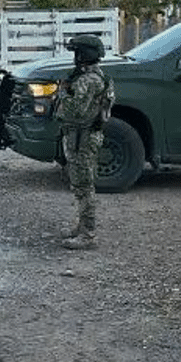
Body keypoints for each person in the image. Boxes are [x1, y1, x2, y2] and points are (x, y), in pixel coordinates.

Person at [54, 34, 114, 250]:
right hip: (83, 136)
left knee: (84, 186)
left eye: (77, 53)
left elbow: (75, 110)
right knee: (80, 184)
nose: (75, 57)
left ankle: (88, 234)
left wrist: (63, 93)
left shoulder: (89, 80)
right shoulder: (96, 76)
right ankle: (82, 227)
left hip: (83, 137)